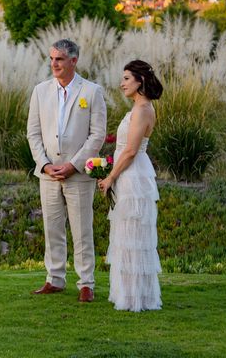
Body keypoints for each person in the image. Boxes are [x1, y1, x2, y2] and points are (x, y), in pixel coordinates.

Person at [27, 39, 107, 302]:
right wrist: (46, 165)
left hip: (78, 174)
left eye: (59, 59)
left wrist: (73, 165)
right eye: (51, 59)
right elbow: (33, 133)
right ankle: (55, 279)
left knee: (82, 229)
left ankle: (86, 283)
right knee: (52, 228)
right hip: (48, 175)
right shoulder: (40, 91)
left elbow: (97, 135)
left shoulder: (92, 91)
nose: (54, 64)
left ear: (74, 61)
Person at [98, 60, 163, 312]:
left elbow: (131, 150)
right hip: (129, 172)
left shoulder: (143, 109)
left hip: (132, 175)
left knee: (133, 235)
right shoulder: (139, 107)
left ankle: (136, 298)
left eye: (126, 78)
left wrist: (110, 177)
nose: (121, 83)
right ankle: (129, 294)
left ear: (140, 81)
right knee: (126, 235)